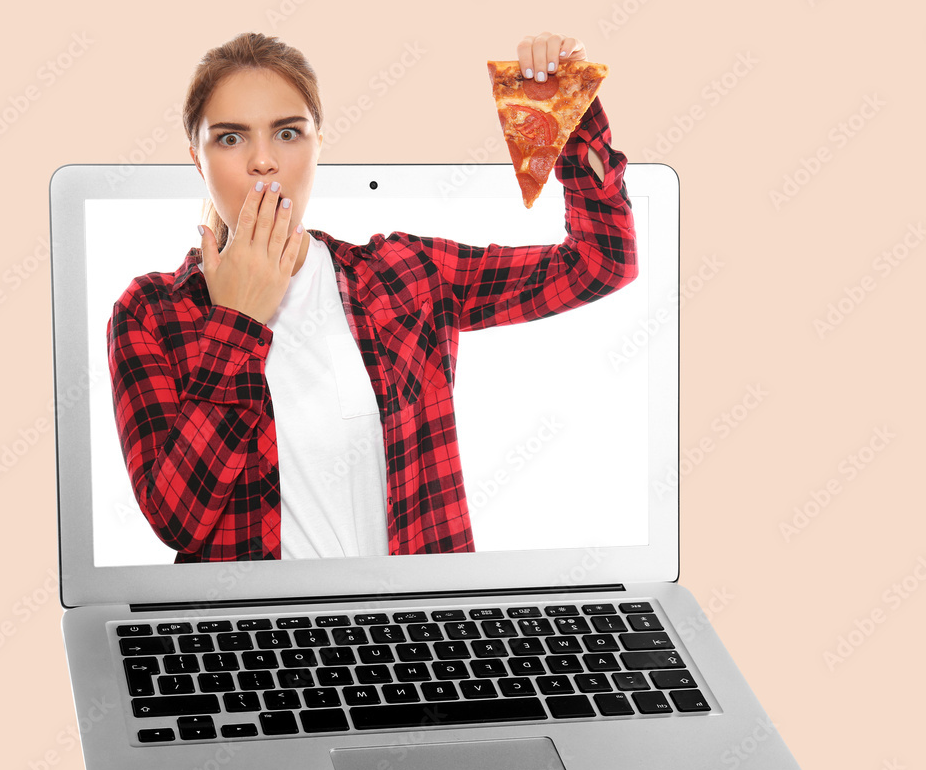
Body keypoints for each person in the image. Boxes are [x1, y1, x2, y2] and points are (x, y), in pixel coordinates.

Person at [107, 30, 638, 564]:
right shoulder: (151, 312)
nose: (263, 161)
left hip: (420, 633)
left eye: (288, 133)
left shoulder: (405, 277)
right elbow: (178, 521)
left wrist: (571, 112)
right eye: (230, 138)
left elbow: (601, 263)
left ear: (318, 144)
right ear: (197, 160)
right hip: (253, 636)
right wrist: (238, 320)